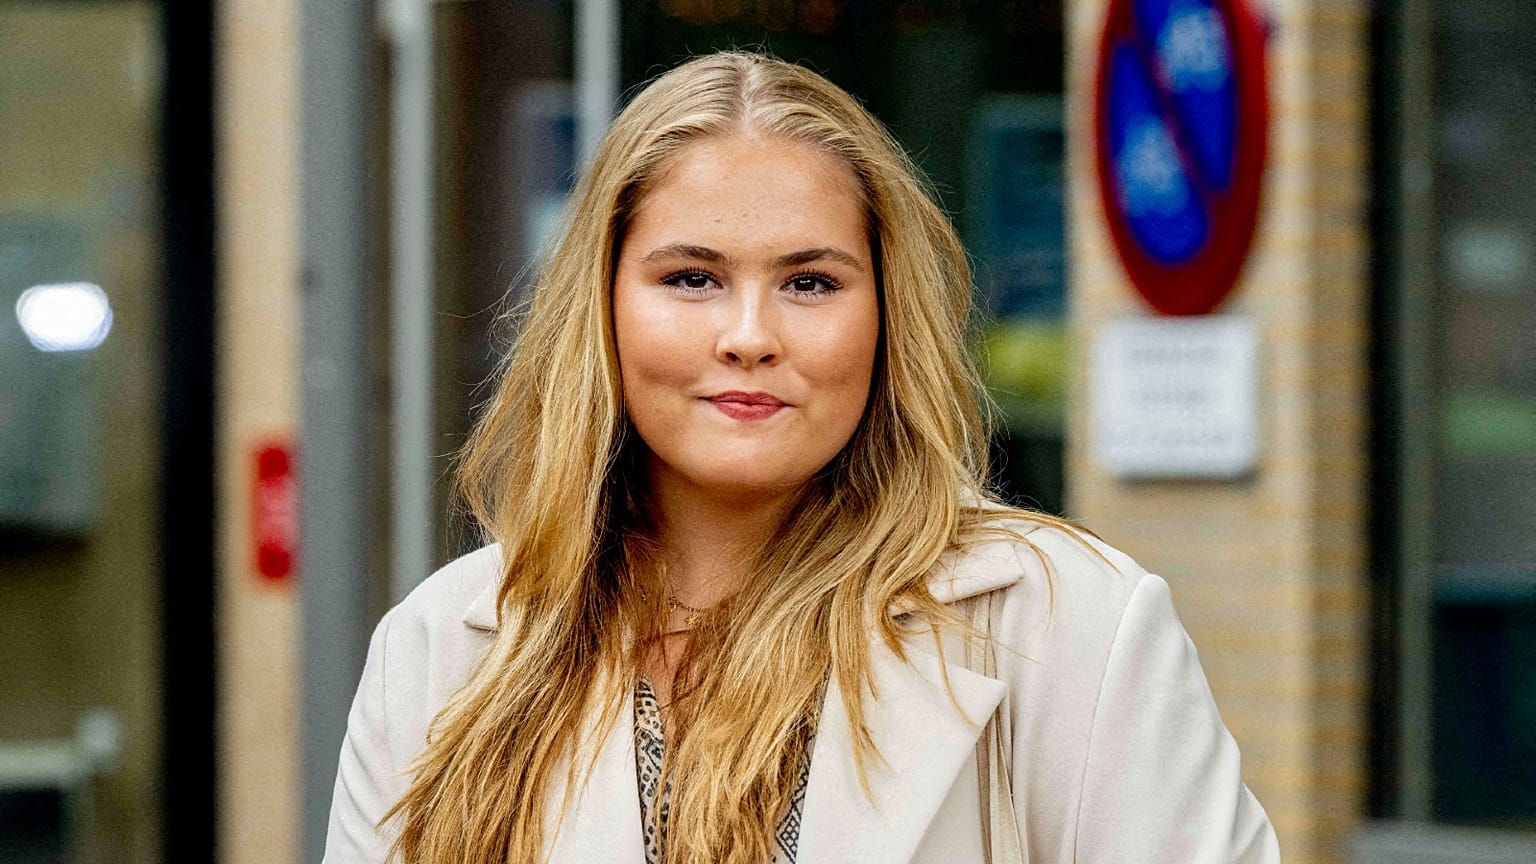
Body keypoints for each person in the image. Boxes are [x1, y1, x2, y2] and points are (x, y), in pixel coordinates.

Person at [323, 51, 1280, 864]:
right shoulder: (440, 650)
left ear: (884, 316)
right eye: (692, 278)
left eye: (810, 282)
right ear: (603, 308)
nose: (749, 335)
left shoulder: (1073, 627)